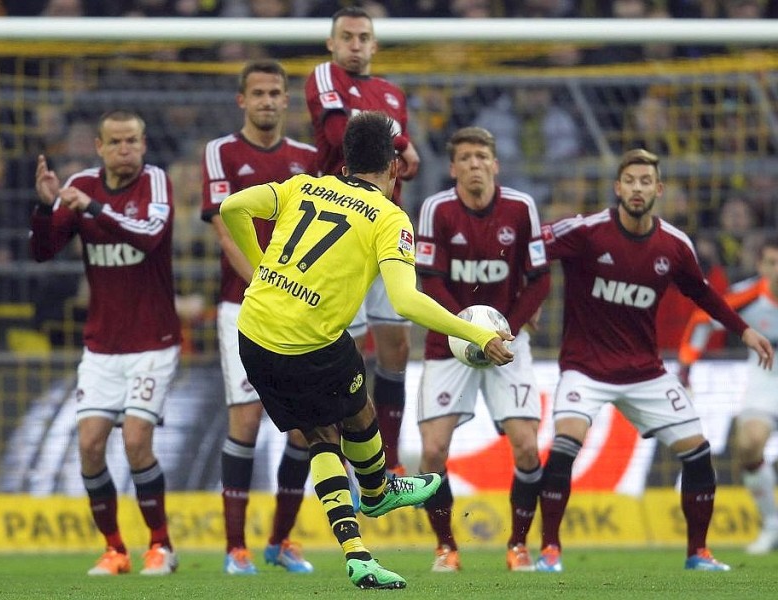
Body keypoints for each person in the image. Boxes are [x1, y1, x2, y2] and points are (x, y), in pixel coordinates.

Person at [219, 111, 514, 589]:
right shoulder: (389, 217)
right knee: (356, 411)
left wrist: (260, 271)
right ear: (394, 168)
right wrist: (477, 333)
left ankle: (358, 552)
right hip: (307, 342)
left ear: (344, 161)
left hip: (253, 330)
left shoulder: (303, 187)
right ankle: (376, 490)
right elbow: (405, 300)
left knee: (320, 436)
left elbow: (233, 207)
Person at [535, 148, 774, 573]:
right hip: (585, 368)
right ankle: (550, 550)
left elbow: (704, 296)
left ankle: (698, 553)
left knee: (698, 453)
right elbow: (531, 248)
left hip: (646, 372)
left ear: (658, 189)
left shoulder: (674, 245)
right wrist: (526, 300)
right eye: (631, 181)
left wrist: (744, 330)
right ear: (618, 188)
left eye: (646, 182)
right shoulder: (587, 231)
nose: (638, 189)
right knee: (565, 445)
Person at [30, 109, 181, 576]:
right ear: (98, 146)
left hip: (153, 341)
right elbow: (42, 251)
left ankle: (161, 546)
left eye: (133, 141)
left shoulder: (155, 182)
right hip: (101, 346)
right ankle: (115, 549)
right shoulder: (81, 182)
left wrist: (93, 209)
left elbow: (150, 237)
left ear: (143, 143)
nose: (125, 150)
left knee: (137, 442)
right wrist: (45, 207)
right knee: (90, 446)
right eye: (115, 142)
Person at [200, 60, 318, 575]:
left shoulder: (309, 159)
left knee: (304, 427)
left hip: (298, 309)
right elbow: (226, 229)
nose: (268, 100)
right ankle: (234, 547)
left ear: (288, 101)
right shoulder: (221, 153)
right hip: (244, 306)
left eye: (276, 92)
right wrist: (263, 284)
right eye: (259, 93)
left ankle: (280, 540)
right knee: (245, 420)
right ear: (241, 101)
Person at [415, 127, 550, 573]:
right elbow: (429, 280)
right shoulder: (436, 210)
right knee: (433, 452)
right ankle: (445, 549)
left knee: (528, 447)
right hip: (447, 343)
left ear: (496, 164)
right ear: (453, 169)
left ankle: (517, 545)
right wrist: (469, 333)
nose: (475, 164)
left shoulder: (521, 208)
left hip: (507, 342)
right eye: (466, 157)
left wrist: (506, 329)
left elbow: (541, 278)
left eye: (482, 156)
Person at [305, 7, 421, 475]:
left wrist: (391, 142)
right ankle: (355, 465)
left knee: (396, 348)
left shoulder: (392, 92)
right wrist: (395, 139)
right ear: (332, 44)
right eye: (347, 37)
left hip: (386, 225)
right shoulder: (322, 75)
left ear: (375, 45)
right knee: (345, 357)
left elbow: (406, 163)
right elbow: (340, 133)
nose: (355, 44)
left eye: (364, 37)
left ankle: (389, 465)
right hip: (340, 234)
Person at [677, 236, 778, 555]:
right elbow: (702, 320)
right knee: (748, 445)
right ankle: (772, 527)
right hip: (766, 373)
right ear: (761, 266)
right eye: (772, 263)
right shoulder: (746, 295)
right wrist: (686, 366)